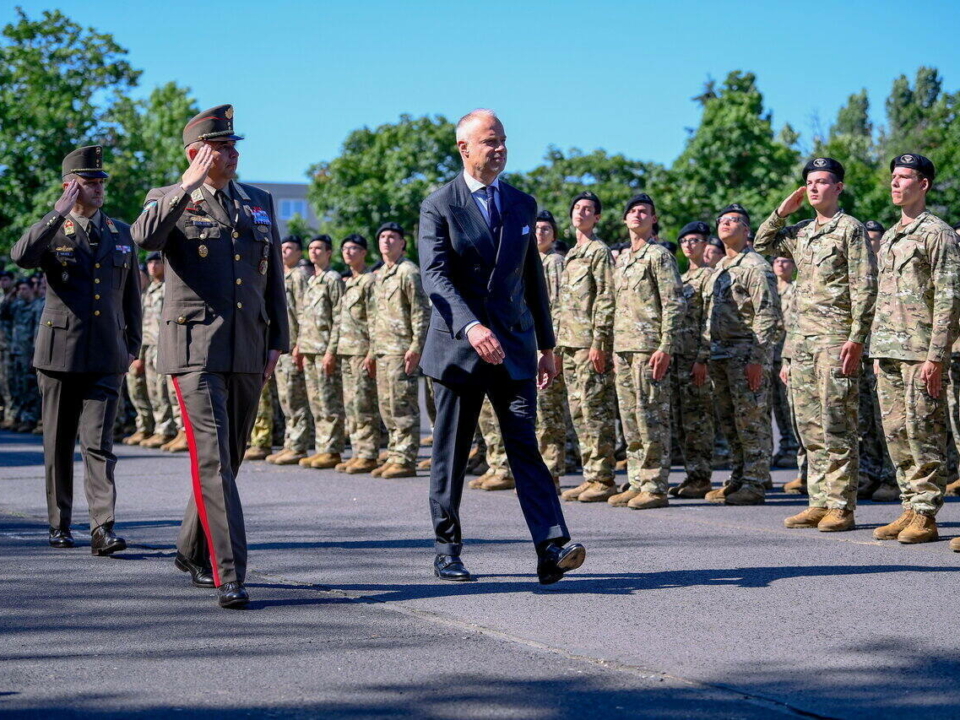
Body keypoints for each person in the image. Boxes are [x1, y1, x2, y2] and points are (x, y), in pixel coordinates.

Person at [131, 105, 289, 607]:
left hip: (247, 346)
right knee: (214, 460)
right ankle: (230, 573)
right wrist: (184, 187)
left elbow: (273, 282)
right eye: (222, 146)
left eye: (233, 145)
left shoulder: (258, 201)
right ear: (198, 153)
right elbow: (143, 239)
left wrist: (277, 341)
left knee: (231, 457)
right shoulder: (169, 200)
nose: (233, 153)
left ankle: (190, 548)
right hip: (194, 348)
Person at [418, 108, 584, 584]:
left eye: (503, 140)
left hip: (512, 348)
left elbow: (531, 278)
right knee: (450, 455)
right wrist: (470, 326)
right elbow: (435, 276)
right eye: (489, 141)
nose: (499, 149)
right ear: (463, 148)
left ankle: (551, 546)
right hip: (458, 351)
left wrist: (547, 346)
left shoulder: (520, 203)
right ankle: (447, 550)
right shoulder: (439, 204)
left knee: (525, 447)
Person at [11, 145, 142, 553]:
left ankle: (102, 527)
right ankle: (59, 522)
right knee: (58, 442)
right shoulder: (54, 230)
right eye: (90, 182)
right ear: (71, 186)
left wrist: (131, 348)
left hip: (107, 353)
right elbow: (22, 256)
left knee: (99, 444)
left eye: (102, 181)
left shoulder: (121, 232)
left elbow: (131, 298)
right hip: (59, 353)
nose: (99, 188)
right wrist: (56, 213)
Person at [755, 158, 876, 531]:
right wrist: (781, 211)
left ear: (838, 188)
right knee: (809, 427)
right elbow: (761, 243)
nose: (813, 188)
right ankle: (819, 501)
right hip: (802, 343)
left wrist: (857, 338)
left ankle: (842, 505)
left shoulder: (849, 229)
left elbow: (864, 286)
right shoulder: (802, 231)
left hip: (835, 340)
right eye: (809, 182)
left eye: (822, 182)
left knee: (837, 424)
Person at [868, 154, 960, 546]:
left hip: (920, 351)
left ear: (923, 185)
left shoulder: (936, 233)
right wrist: (875, 349)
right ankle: (909, 505)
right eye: (893, 177)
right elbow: (881, 296)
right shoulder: (890, 235)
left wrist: (936, 355)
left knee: (924, 431)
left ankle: (926, 513)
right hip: (888, 349)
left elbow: (949, 297)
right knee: (896, 432)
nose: (895, 183)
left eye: (904, 177)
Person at [607, 194, 684, 510]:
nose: (637, 215)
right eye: (632, 211)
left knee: (651, 418)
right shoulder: (622, 259)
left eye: (644, 211)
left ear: (653, 220)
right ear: (625, 220)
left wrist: (666, 346)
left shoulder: (659, 256)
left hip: (648, 348)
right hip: (624, 349)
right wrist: (613, 349)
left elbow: (673, 302)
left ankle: (654, 486)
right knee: (630, 422)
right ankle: (637, 481)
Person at [702, 204, 782, 505]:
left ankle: (756, 481)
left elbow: (767, 314)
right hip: (721, 356)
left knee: (752, 420)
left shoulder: (755, 266)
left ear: (747, 231)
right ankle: (738, 477)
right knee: (730, 421)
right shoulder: (721, 267)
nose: (725, 224)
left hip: (745, 355)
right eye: (721, 220)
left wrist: (757, 360)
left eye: (733, 220)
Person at [555, 191, 617, 503]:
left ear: (597, 218)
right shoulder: (571, 256)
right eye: (577, 208)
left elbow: (606, 297)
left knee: (596, 411)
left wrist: (600, 342)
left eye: (588, 209)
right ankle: (589, 475)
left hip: (589, 344)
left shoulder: (598, 252)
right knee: (578, 413)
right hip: (568, 344)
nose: (581, 213)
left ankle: (604, 478)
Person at [369, 222, 429, 479]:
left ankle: (406, 458)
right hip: (383, 349)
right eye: (382, 236)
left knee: (402, 405)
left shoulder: (408, 271)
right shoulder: (381, 274)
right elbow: (375, 315)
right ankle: (395, 453)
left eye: (392, 237)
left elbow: (420, 311)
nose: (386, 241)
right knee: (387, 407)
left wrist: (416, 346)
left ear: (402, 243)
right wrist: (372, 350)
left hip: (401, 349)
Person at [668, 221, 716, 498]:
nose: (688, 245)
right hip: (679, 358)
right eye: (684, 241)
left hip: (698, 359)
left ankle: (702, 477)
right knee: (685, 421)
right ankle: (692, 475)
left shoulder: (710, 277)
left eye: (695, 240)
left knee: (699, 420)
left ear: (705, 244)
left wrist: (702, 357)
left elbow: (711, 319)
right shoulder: (683, 279)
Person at [325, 234, 380, 474]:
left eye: (354, 248)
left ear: (364, 252)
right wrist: (332, 351)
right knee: (351, 406)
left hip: (361, 350)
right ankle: (358, 451)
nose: (349, 252)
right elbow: (339, 321)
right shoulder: (349, 283)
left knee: (364, 405)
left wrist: (372, 352)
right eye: (345, 248)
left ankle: (368, 454)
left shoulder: (369, 281)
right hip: (345, 352)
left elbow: (377, 319)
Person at [297, 234, 346, 470]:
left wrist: (332, 351)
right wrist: (299, 344)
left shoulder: (333, 279)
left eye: (319, 249)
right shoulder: (311, 280)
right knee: (315, 403)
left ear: (329, 253)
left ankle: (333, 450)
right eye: (311, 248)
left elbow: (339, 317)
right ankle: (321, 448)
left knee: (329, 402)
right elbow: (304, 317)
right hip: (309, 349)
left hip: (324, 348)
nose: (314, 252)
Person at [268, 235, 313, 465]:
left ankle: (298, 445)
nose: (284, 252)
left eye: (290, 249)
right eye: (282, 248)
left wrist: (300, 344)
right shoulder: (282, 274)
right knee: (286, 398)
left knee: (295, 398)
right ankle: (289, 442)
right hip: (281, 345)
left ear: (299, 253)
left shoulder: (299, 275)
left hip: (294, 343)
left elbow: (305, 312)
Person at [533, 209, 567, 490]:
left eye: (546, 228)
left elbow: (554, 306)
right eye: (536, 228)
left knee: (549, 412)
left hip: (543, 346)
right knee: (534, 414)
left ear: (554, 235)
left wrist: (548, 347)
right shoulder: (527, 260)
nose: (540, 232)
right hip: (525, 345)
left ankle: (551, 473)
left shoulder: (554, 262)